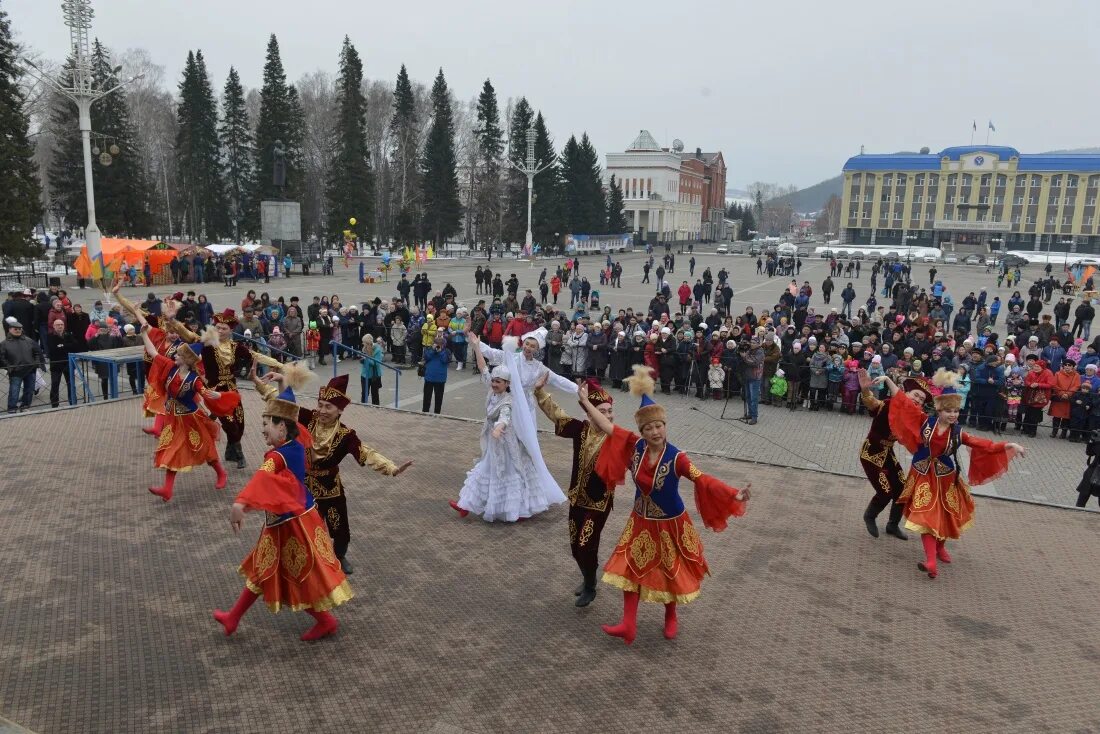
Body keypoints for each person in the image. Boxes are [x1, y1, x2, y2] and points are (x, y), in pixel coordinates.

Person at [576, 365, 750, 644]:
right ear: (642, 431)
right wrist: (585, 401)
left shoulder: (677, 457)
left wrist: (733, 495)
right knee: (628, 569)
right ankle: (628, 624)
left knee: (670, 573)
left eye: (659, 426)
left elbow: (701, 479)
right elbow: (607, 426)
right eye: (649, 427)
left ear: (665, 426)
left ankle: (671, 616)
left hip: (670, 524)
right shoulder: (635, 446)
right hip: (640, 521)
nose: (655, 431)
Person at [214, 385, 352, 642]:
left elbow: (262, 476)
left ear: (282, 427)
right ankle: (233, 618)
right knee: (263, 567)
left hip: (292, 524)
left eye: (267, 423)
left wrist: (240, 503)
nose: (263, 428)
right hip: (289, 519)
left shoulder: (278, 455)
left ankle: (326, 621)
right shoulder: (296, 443)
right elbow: (289, 409)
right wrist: (283, 385)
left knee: (297, 575)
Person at [254, 370, 411, 575]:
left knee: (341, 530)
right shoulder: (308, 418)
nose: (322, 410)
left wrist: (391, 467)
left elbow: (365, 452)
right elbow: (284, 407)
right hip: (306, 486)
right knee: (305, 528)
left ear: (339, 410)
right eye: (320, 405)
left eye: (328, 407)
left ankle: (339, 556)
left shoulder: (346, 435)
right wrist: (275, 383)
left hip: (331, 488)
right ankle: (310, 561)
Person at [882, 369, 1025, 579]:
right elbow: (903, 402)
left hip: (946, 478)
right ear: (939, 411)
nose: (953, 414)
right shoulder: (925, 422)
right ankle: (931, 561)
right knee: (926, 516)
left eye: (956, 411)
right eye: (948, 411)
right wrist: (887, 380)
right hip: (922, 475)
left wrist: (1010, 444)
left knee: (947, 514)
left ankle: (940, 548)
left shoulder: (959, 433)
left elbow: (985, 445)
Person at [449, 341, 567, 522]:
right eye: (494, 381)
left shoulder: (509, 401)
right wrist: (475, 346)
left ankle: (516, 509)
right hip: (493, 442)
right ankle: (465, 504)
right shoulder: (493, 390)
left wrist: (498, 428)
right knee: (484, 470)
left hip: (507, 443)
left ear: (507, 384)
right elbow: (482, 368)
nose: (494, 384)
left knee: (509, 472)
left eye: (498, 382)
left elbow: (505, 417)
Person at [535, 378, 614, 607]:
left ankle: (590, 586)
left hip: (599, 504)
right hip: (577, 499)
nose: (608, 416)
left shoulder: (614, 438)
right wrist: (540, 391)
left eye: (610, 411)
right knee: (575, 547)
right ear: (590, 414)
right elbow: (557, 415)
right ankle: (588, 577)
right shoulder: (581, 430)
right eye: (602, 411)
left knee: (585, 544)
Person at [139, 327, 236, 501]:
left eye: (178, 355)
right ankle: (167, 490)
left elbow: (205, 393)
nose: (174, 356)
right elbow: (153, 352)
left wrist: (219, 395)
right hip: (173, 418)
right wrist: (144, 334)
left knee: (206, 448)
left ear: (186, 360)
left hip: (192, 419)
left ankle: (221, 473)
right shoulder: (170, 367)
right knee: (171, 450)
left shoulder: (194, 379)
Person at [856, 369, 932, 540]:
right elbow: (872, 403)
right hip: (871, 453)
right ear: (906, 392)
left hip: (887, 453)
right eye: (916, 395)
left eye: (921, 399)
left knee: (902, 489)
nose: (918, 400)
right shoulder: (889, 404)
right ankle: (870, 515)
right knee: (885, 491)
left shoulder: (915, 416)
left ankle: (892, 525)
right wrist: (865, 390)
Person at [172, 309, 252, 468]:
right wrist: (173, 321)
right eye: (218, 327)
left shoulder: (236, 346)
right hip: (215, 392)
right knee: (230, 423)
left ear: (231, 330)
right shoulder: (207, 344)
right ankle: (239, 453)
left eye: (224, 328)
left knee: (240, 422)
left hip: (232, 390)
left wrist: (280, 366)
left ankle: (230, 450)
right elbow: (189, 336)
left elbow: (253, 356)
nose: (220, 331)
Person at [0, 320, 42, 413]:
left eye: (20, 329)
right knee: (14, 391)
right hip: (15, 371)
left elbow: (37, 352)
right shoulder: (4, 344)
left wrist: (36, 363)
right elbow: (1, 358)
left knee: (29, 390)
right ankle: (12, 409)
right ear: (10, 329)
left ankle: (25, 406)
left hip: (30, 370)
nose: (18, 330)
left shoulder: (29, 340)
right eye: (15, 329)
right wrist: (8, 367)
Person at [421, 335, 451, 414]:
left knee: (439, 398)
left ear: (443, 345)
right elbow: (426, 357)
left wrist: (440, 352)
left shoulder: (447, 351)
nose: (438, 345)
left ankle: (437, 413)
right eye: (436, 343)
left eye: (440, 344)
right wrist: (432, 350)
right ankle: (425, 411)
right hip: (429, 378)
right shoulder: (429, 349)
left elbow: (445, 361)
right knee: (427, 397)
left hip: (440, 379)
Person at [1073, 430, 1100, 508]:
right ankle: (1077, 513)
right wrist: (1092, 441)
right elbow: (1090, 452)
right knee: (1083, 495)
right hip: (1093, 469)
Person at [360, 334, 384, 405]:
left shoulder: (377, 349)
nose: (363, 343)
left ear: (368, 342)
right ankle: (363, 407)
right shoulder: (364, 348)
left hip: (374, 375)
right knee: (364, 393)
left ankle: (376, 408)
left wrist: (366, 360)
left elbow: (377, 363)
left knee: (375, 394)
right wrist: (362, 360)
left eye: (364, 342)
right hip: (365, 374)